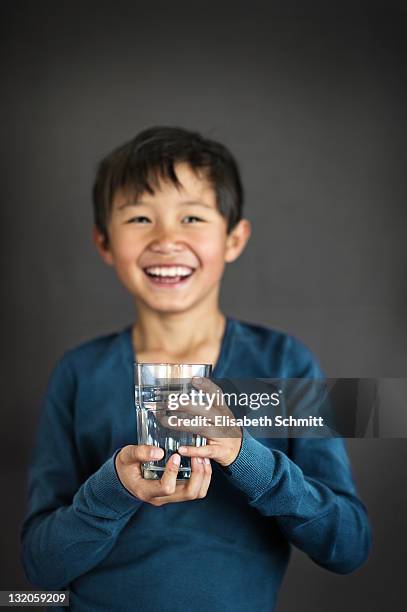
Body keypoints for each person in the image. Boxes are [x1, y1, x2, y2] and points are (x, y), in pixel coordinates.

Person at [21, 126, 371, 611]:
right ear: (104, 242)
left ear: (233, 238)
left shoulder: (285, 365)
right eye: (140, 217)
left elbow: (348, 545)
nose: (167, 240)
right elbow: (39, 567)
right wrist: (113, 490)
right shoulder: (78, 373)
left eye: (192, 217)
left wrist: (245, 455)